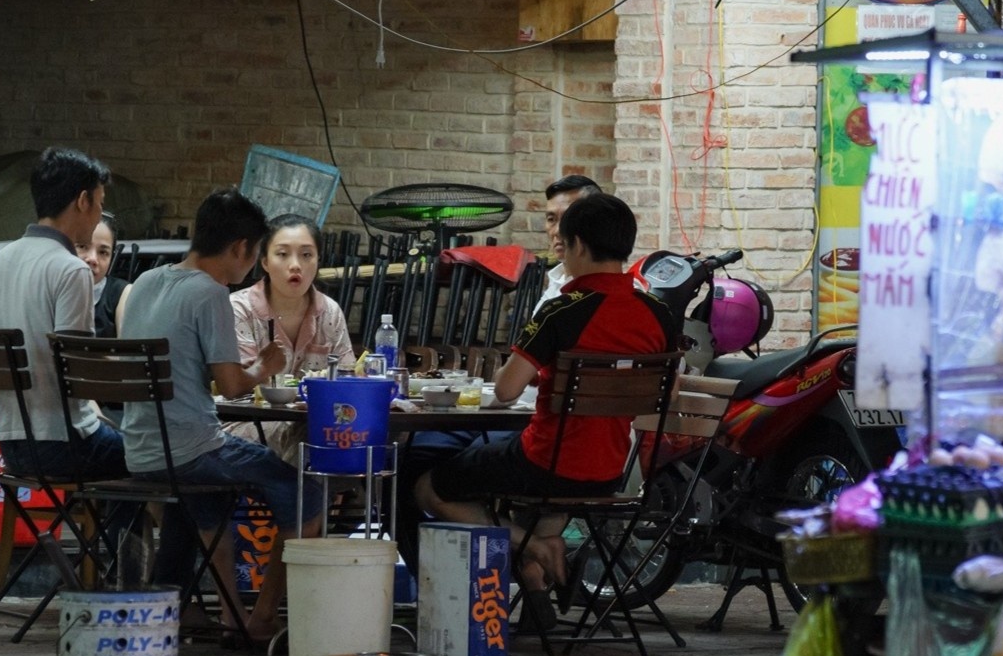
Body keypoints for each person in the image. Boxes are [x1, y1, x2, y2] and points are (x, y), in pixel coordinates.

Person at [414, 193, 678, 621]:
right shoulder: (660, 313)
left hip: (545, 462)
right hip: (612, 473)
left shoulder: (562, 312)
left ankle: (535, 547)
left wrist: (543, 373)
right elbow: (668, 387)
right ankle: (537, 593)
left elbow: (503, 390)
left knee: (429, 486)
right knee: (547, 504)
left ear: (577, 245)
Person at [118, 188, 324, 641]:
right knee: (308, 493)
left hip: (141, 450)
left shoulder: (148, 282)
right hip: (193, 450)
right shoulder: (209, 292)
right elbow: (231, 385)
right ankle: (262, 616)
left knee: (208, 499)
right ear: (240, 249)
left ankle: (229, 616)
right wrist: (264, 366)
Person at [0, 146, 126, 481]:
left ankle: (117, 537)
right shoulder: (70, 270)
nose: (99, 214)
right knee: (162, 461)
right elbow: (76, 368)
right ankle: (122, 536)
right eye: (99, 202)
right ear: (83, 201)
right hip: (66, 444)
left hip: (10, 446)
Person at [226, 213, 355, 461]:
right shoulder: (238, 308)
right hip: (244, 427)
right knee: (310, 436)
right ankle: (310, 497)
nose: (295, 265)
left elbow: (347, 379)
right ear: (264, 261)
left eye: (306, 255)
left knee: (374, 433)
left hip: (319, 424)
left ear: (318, 261)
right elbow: (240, 389)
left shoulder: (330, 311)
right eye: (283, 254)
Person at [532, 174, 601, 315]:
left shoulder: (611, 294)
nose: (557, 231)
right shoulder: (554, 286)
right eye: (551, 219)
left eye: (569, 219)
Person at [76, 211, 129, 339]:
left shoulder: (122, 293)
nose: (93, 259)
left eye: (103, 252)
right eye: (83, 246)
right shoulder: (49, 288)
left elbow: (127, 354)